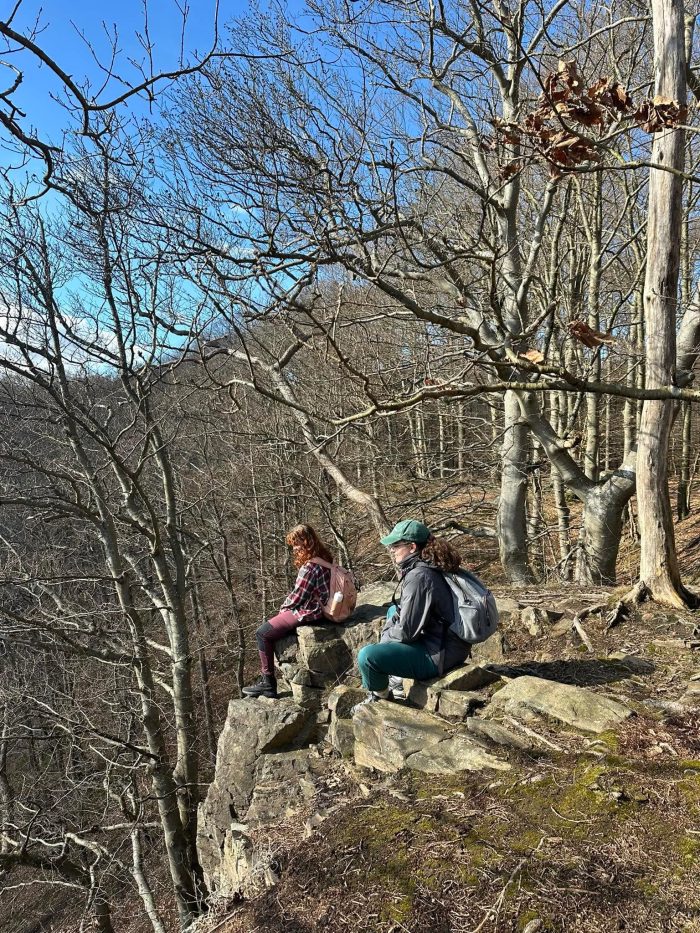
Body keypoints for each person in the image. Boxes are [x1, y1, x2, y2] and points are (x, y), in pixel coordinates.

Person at [354, 519, 470, 709]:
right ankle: (396, 677)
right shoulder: (429, 565)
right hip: (448, 643)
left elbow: (407, 631)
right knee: (393, 610)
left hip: (439, 654)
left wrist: (385, 638)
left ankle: (381, 697)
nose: (391, 549)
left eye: (395, 545)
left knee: (368, 657)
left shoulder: (419, 576)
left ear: (412, 546)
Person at [242, 524, 333, 699]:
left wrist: (283, 610)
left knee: (262, 633)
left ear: (307, 542)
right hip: (324, 609)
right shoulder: (325, 557)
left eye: (297, 544)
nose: (295, 549)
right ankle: (267, 681)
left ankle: (268, 683)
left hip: (311, 612)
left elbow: (298, 596)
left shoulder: (309, 568)